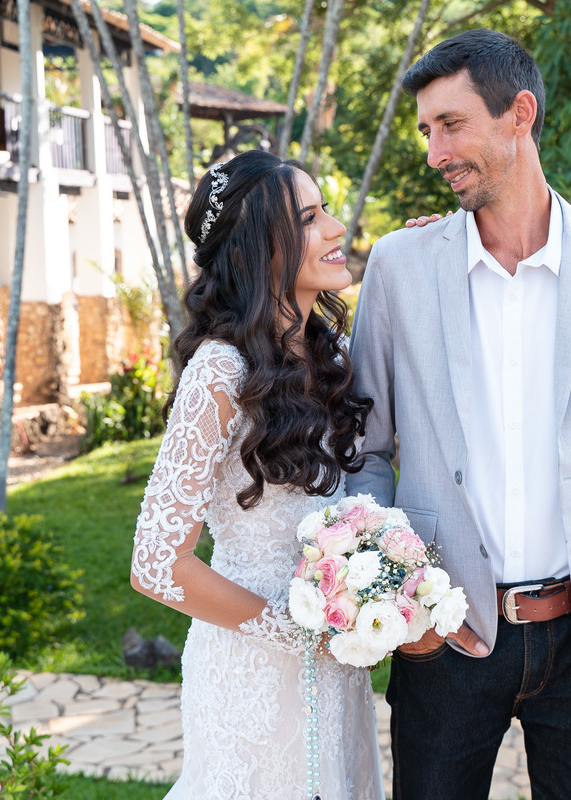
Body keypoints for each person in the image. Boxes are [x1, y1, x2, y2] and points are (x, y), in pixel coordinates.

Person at [347, 29, 571, 800]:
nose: (435, 152)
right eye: (427, 130)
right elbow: (363, 450)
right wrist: (403, 602)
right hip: (443, 641)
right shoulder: (401, 268)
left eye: (452, 124)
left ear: (519, 114)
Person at [129, 149, 384, 800]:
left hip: (335, 667)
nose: (334, 228)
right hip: (251, 670)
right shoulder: (219, 372)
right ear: (258, 248)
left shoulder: (331, 354)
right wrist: (295, 631)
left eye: (326, 209)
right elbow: (157, 563)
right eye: (309, 218)